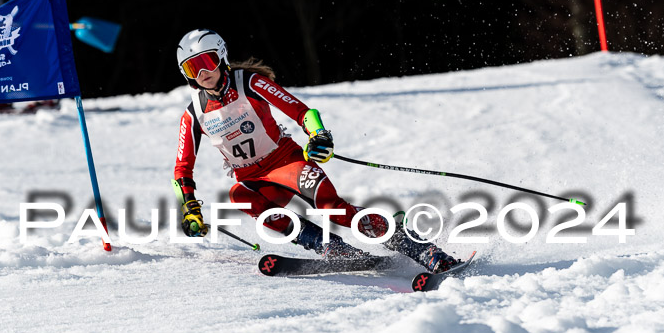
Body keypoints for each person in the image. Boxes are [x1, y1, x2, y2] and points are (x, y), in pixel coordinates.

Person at [173, 29, 460, 273]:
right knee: (240, 196)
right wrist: (190, 209)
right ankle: (329, 247)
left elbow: (301, 111)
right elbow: (182, 169)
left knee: (333, 209)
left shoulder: (249, 82)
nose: (202, 73)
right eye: (191, 68)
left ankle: (422, 250)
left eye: (207, 62)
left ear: (221, 57)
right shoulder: (193, 113)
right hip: (253, 178)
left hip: (285, 163)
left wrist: (318, 134)